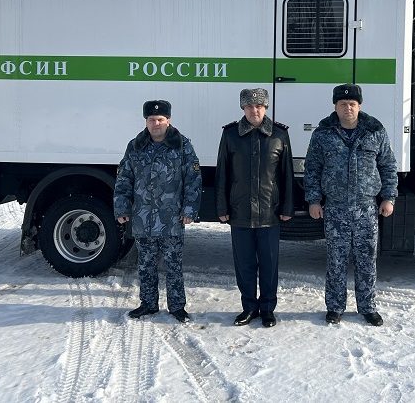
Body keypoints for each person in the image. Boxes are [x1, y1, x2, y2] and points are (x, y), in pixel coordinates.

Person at [304, 84, 397, 326]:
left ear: (360, 106)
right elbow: (312, 168)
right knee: (336, 260)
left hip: (366, 208)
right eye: (343, 104)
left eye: (352, 104)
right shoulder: (323, 134)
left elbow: (388, 165)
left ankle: (368, 307)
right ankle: (335, 307)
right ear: (335, 106)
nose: (348, 108)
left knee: (366, 260)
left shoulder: (375, 131)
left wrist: (389, 198)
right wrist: (314, 200)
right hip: (335, 208)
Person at [114, 100, 201, 323]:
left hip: (172, 218)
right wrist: (122, 207)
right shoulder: (135, 146)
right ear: (146, 121)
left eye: (160, 119)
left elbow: (193, 179)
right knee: (146, 264)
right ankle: (148, 304)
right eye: (151, 120)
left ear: (168, 120)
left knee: (173, 265)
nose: (156, 124)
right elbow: (124, 178)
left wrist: (189, 209)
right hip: (143, 217)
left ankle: (177, 307)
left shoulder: (182, 145)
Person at [216, 88, 294, 328]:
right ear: (243, 108)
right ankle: (249, 307)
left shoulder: (279, 134)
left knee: (269, 265)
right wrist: (222, 206)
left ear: (266, 108)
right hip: (240, 212)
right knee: (245, 264)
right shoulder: (230, 135)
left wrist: (287, 207)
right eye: (249, 106)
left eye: (259, 106)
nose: (254, 110)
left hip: (270, 212)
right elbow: (222, 173)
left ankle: (268, 309)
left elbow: (286, 175)